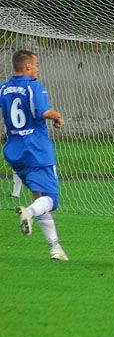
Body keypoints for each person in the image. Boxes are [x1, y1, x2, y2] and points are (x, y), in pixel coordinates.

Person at [0, 49, 68, 261]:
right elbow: (43, 112)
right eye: (36, 65)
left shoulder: (3, 88)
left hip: (15, 151)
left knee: (40, 198)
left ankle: (55, 248)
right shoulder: (34, 86)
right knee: (51, 200)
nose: (38, 69)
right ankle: (28, 212)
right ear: (28, 66)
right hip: (37, 150)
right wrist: (58, 115)